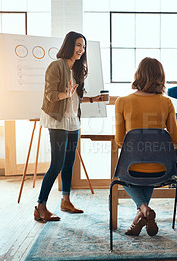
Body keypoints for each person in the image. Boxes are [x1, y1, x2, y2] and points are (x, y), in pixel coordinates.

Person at [34, 31, 104, 223]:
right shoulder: (56, 66)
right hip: (57, 119)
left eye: (83, 46)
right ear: (69, 45)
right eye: (78, 45)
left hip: (73, 120)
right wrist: (65, 94)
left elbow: (76, 97)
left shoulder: (78, 69)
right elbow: (50, 95)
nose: (81, 49)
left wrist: (93, 99)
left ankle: (66, 201)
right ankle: (40, 206)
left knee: (69, 162)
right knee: (56, 163)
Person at [115, 57, 177, 236]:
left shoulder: (122, 101)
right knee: (151, 165)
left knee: (121, 174)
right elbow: (174, 139)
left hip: (132, 169)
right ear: (161, 78)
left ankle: (143, 210)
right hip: (161, 169)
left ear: (138, 75)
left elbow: (120, 140)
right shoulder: (166, 102)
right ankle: (142, 212)